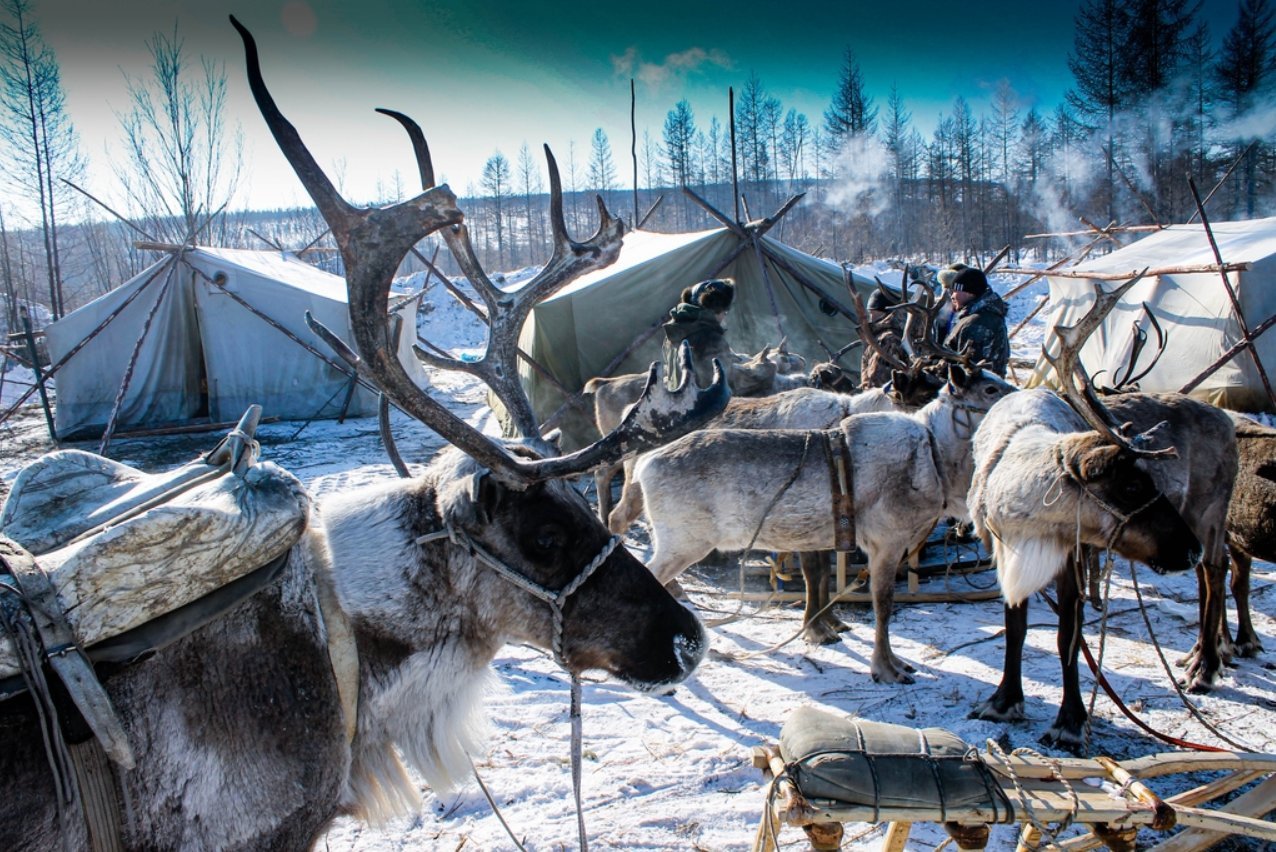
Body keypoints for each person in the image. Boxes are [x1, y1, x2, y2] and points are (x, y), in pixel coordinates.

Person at [936, 263, 1010, 377]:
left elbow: (970, 372)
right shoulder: (976, 317)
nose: (952, 296)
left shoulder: (977, 324)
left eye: (955, 291)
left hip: (976, 391)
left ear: (968, 292)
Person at [661, 278, 736, 388]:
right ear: (714, 309)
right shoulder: (710, 337)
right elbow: (725, 380)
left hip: (677, 402)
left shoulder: (673, 333)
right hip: (705, 403)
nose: (725, 315)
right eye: (725, 311)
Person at [859, 287, 908, 390]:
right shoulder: (882, 336)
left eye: (873, 313)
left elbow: (877, 381)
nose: (871, 318)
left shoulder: (888, 339)